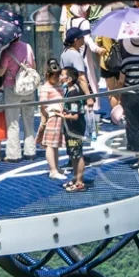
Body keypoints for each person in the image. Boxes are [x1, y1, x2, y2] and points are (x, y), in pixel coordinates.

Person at [106, 32, 139, 167]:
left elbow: (121, 81)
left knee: (133, 128)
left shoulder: (127, 61)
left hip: (131, 97)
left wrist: (119, 97)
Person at [0, 32, 38, 161]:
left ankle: (14, 154)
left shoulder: (6, 52)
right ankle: (30, 151)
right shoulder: (28, 47)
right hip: (27, 87)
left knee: (13, 122)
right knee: (29, 120)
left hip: (12, 88)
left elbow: (0, 72)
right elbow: (33, 66)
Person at [61, 62, 88, 191]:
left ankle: (80, 182)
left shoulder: (73, 94)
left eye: (62, 75)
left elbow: (75, 116)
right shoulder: (69, 91)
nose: (60, 77)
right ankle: (76, 178)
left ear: (69, 79)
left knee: (77, 154)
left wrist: (60, 115)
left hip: (75, 129)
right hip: (70, 128)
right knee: (73, 154)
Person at [37, 59, 65, 180]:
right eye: (55, 76)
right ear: (48, 75)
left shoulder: (58, 86)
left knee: (56, 145)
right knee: (50, 145)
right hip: (52, 118)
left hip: (59, 118)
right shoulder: (45, 88)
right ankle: (53, 170)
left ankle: (56, 167)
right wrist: (45, 119)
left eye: (58, 75)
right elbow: (43, 105)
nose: (57, 78)